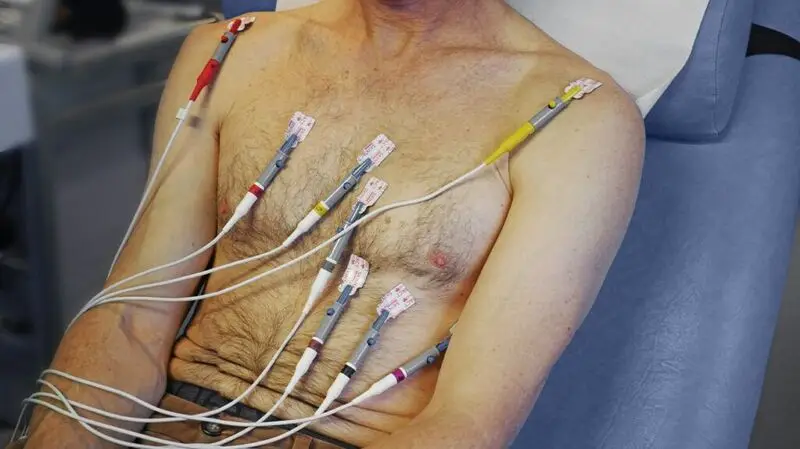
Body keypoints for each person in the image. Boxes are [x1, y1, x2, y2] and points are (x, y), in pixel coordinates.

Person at [14, 0, 644, 447]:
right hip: (166, 422)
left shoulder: (576, 120)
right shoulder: (235, 49)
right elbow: (131, 317)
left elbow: (471, 422)